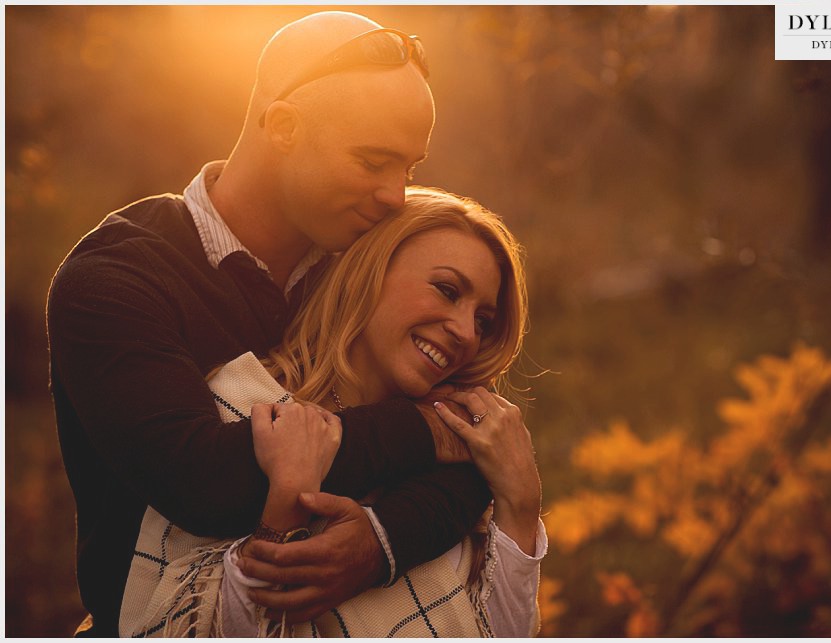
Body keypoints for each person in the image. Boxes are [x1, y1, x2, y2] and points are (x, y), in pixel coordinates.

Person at [46, 12, 493, 637]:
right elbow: (204, 482)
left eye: (409, 169)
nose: (397, 195)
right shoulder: (116, 279)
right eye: (372, 161)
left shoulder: (367, 258)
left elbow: (477, 445)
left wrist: (381, 543)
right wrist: (420, 430)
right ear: (283, 126)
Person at [120, 187, 546, 637]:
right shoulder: (239, 404)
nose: (465, 332)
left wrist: (520, 504)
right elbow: (180, 628)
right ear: (370, 271)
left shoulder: (464, 452)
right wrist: (284, 507)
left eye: (483, 320)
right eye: (447, 290)